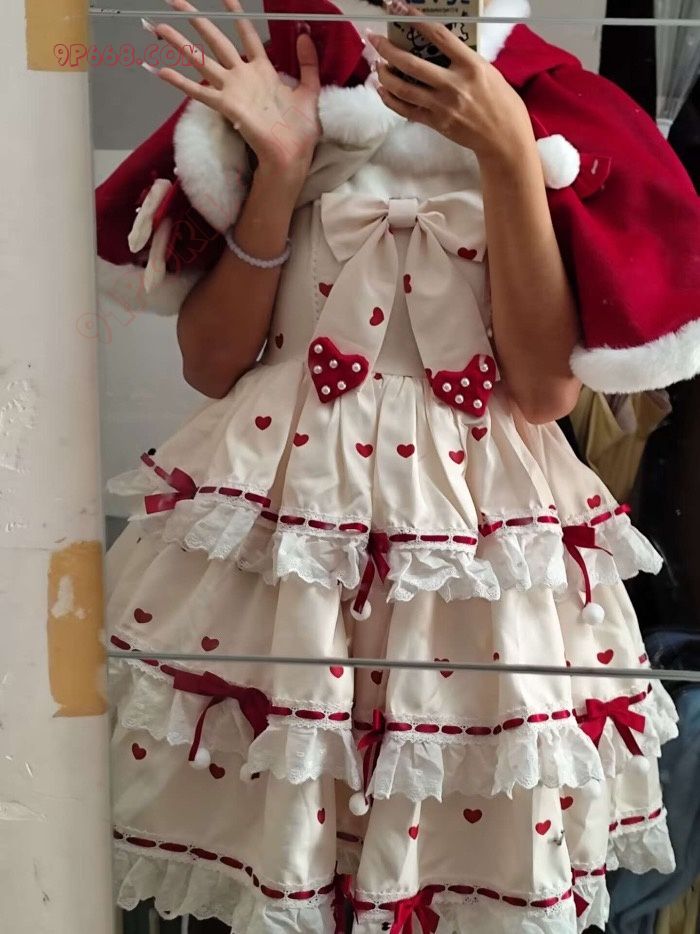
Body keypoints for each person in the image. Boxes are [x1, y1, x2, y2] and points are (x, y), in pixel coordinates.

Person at [101, 1, 697, 930]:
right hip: (285, 533)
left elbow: (543, 390)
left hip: (475, 543)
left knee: (452, 845)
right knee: (281, 819)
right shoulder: (293, 85)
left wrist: (508, 150)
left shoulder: (548, 110)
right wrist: (282, 169)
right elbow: (211, 363)